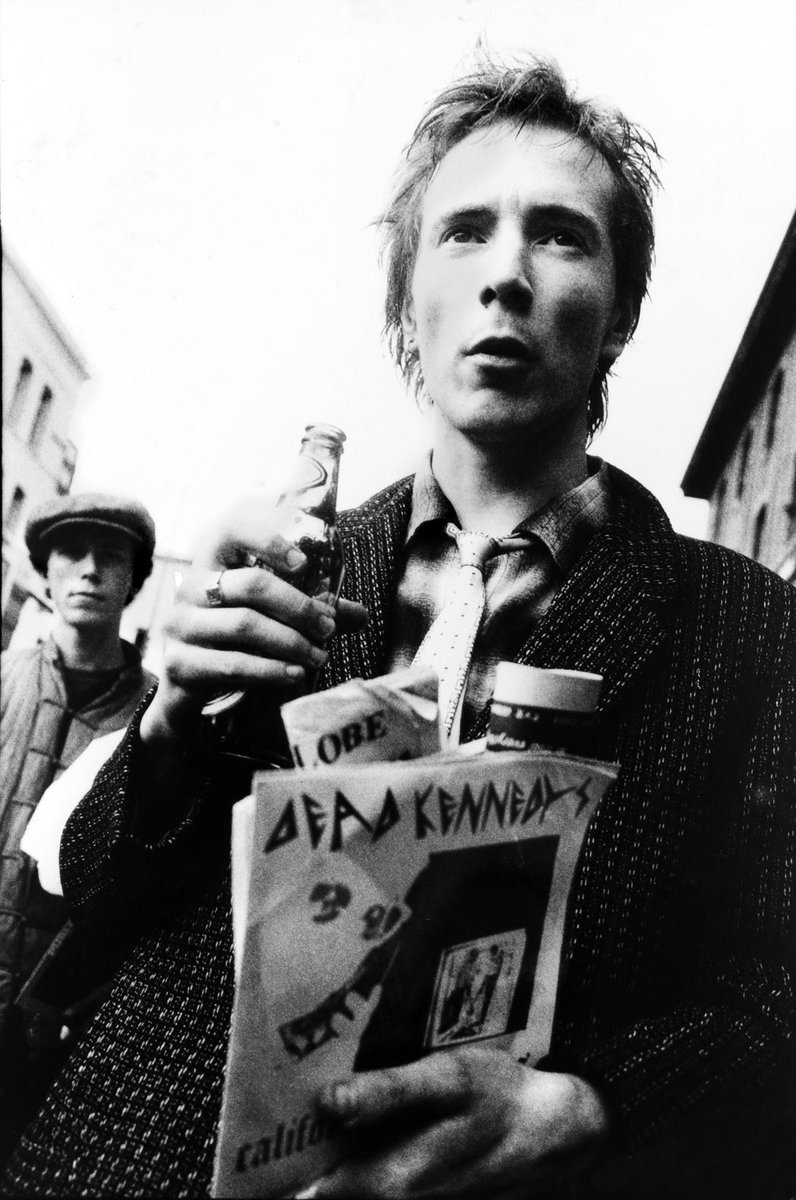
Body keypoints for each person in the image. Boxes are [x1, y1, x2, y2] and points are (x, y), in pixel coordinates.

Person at [4, 54, 795, 1199]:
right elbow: (92, 882)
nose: (507, 277)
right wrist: (167, 726)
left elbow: (772, 997)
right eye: (464, 232)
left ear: (619, 311)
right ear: (405, 307)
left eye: (562, 236)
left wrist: (593, 1103)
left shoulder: (751, 631)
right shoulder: (278, 571)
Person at [0, 493, 157, 1166]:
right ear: (45, 571)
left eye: (111, 557)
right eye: (72, 552)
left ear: (135, 580)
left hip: (49, 1026)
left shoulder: (158, 719)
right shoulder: (4, 676)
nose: (90, 571)